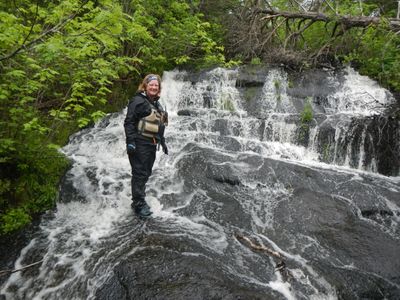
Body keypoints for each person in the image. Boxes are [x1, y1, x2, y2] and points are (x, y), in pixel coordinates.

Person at [124, 74, 168, 217]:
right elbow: (129, 122)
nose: (154, 87)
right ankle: (138, 204)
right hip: (139, 143)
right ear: (145, 86)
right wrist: (130, 141)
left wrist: (163, 141)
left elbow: (159, 125)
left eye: (156, 85)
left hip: (151, 144)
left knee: (146, 172)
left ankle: (138, 198)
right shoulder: (138, 101)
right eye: (151, 85)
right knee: (139, 173)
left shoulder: (157, 104)